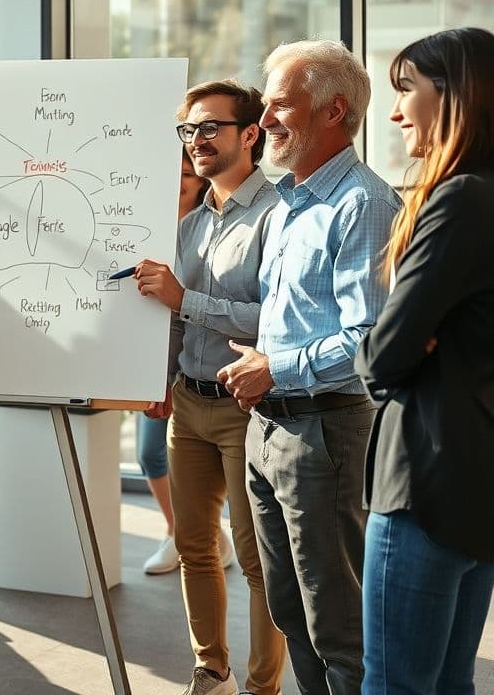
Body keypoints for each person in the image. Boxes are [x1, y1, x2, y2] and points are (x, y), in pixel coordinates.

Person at [218, 40, 400, 695]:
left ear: (334, 111)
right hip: (267, 432)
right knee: (290, 611)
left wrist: (277, 369)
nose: (262, 120)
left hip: (324, 434)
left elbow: (370, 337)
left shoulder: (364, 205)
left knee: (338, 627)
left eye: (278, 105)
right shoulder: (290, 202)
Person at [356, 27, 494, 695]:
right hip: (478, 482)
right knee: (449, 685)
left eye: (408, 88)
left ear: (458, 94)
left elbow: (383, 356)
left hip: (425, 483)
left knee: (397, 686)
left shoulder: (462, 198)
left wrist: (383, 344)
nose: (395, 110)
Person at [138, 80, 285, 695]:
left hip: (248, 410)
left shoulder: (281, 214)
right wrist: (158, 377)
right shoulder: (192, 223)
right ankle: (211, 671)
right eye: (189, 130)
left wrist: (185, 298)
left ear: (249, 135)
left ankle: (261, 686)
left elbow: (276, 318)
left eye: (209, 128)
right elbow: (169, 316)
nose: (196, 140)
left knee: (258, 563)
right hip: (188, 404)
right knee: (196, 548)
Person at [138, 147, 217, 575]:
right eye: (173, 172)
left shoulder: (206, 227)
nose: (179, 181)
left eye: (186, 172)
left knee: (187, 461)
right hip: (153, 353)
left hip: (198, 360)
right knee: (150, 453)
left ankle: (193, 536)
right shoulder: (147, 222)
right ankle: (177, 532)